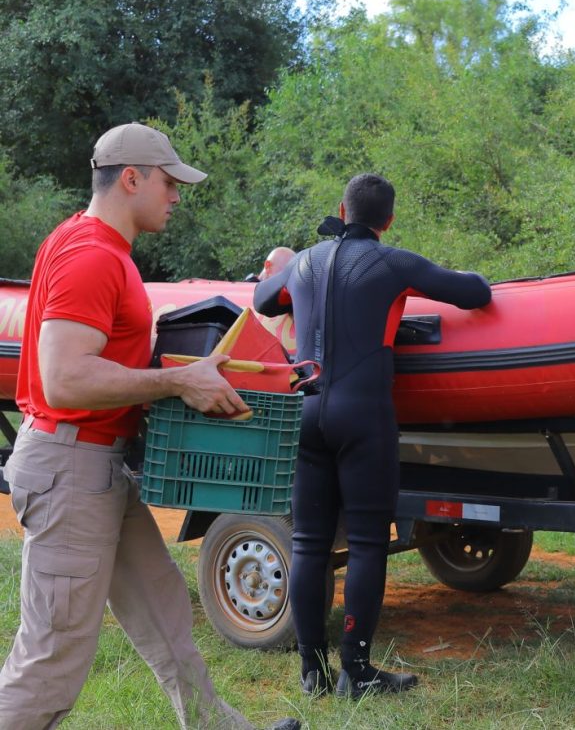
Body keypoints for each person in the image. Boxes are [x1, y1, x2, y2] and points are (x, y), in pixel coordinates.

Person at [0, 123, 298, 730]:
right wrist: (175, 381)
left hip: (99, 467)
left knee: (165, 613)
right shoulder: (91, 256)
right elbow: (66, 381)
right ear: (130, 178)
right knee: (50, 659)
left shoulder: (87, 242)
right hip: (71, 470)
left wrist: (189, 374)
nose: (176, 195)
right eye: (168, 182)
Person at [254, 174, 491, 699]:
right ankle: (355, 672)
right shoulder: (394, 263)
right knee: (365, 545)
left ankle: (311, 673)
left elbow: (264, 300)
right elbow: (474, 291)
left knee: (310, 545)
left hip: (309, 412)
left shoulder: (306, 262)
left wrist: (294, 280)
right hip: (363, 418)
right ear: (389, 220)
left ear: (341, 208)